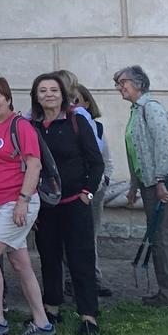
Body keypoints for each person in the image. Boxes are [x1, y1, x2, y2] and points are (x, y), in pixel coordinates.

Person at [0, 78, 56, 335]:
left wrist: (23, 200)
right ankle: (42, 322)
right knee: (20, 263)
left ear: (8, 99)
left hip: (15, 203)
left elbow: (34, 165)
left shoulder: (20, 126)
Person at [30, 74, 105, 335]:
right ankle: (52, 308)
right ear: (36, 97)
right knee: (49, 257)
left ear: (62, 94)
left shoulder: (76, 121)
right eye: (43, 90)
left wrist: (88, 193)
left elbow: (96, 162)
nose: (49, 94)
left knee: (80, 258)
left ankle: (88, 315)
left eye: (53, 90)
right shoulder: (33, 128)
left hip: (75, 202)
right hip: (46, 205)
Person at [115, 65, 168, 307]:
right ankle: (166, 293)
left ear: (139, 83)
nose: (119, 87)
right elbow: (136, 152)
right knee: (158, 236)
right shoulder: (136, 111)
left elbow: (162, 146)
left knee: (163, 236)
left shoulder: (151, 108)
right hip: (150, 181)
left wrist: (160, 182)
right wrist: (134, 185)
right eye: (118, 83)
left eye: (122, 82)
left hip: (164, 180)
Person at [75, 84, 115, 297]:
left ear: (87, 103)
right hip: (71, 191)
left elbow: (105, 161)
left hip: (93, 190)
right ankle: (70, 279)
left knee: (90, 236)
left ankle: (94, 278)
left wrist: (101, 184)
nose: (73, 105)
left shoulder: (96, 128)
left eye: (77, 101)